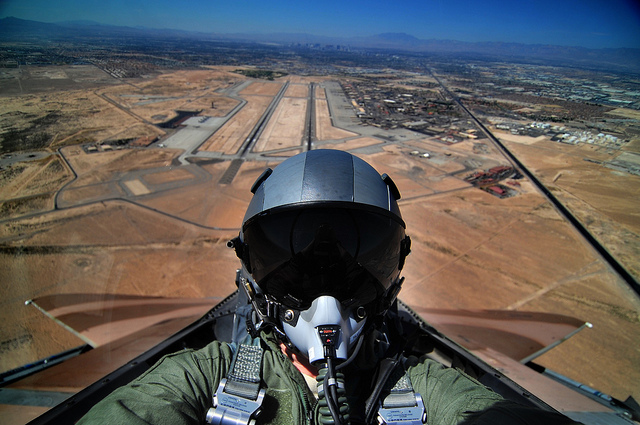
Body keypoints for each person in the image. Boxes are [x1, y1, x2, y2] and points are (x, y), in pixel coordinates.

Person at [78, 149, 578, 425]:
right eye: (297, 271)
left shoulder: (423, 389)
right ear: (255, 278)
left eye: (350, 272)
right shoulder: (203, 377)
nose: (326, 301)